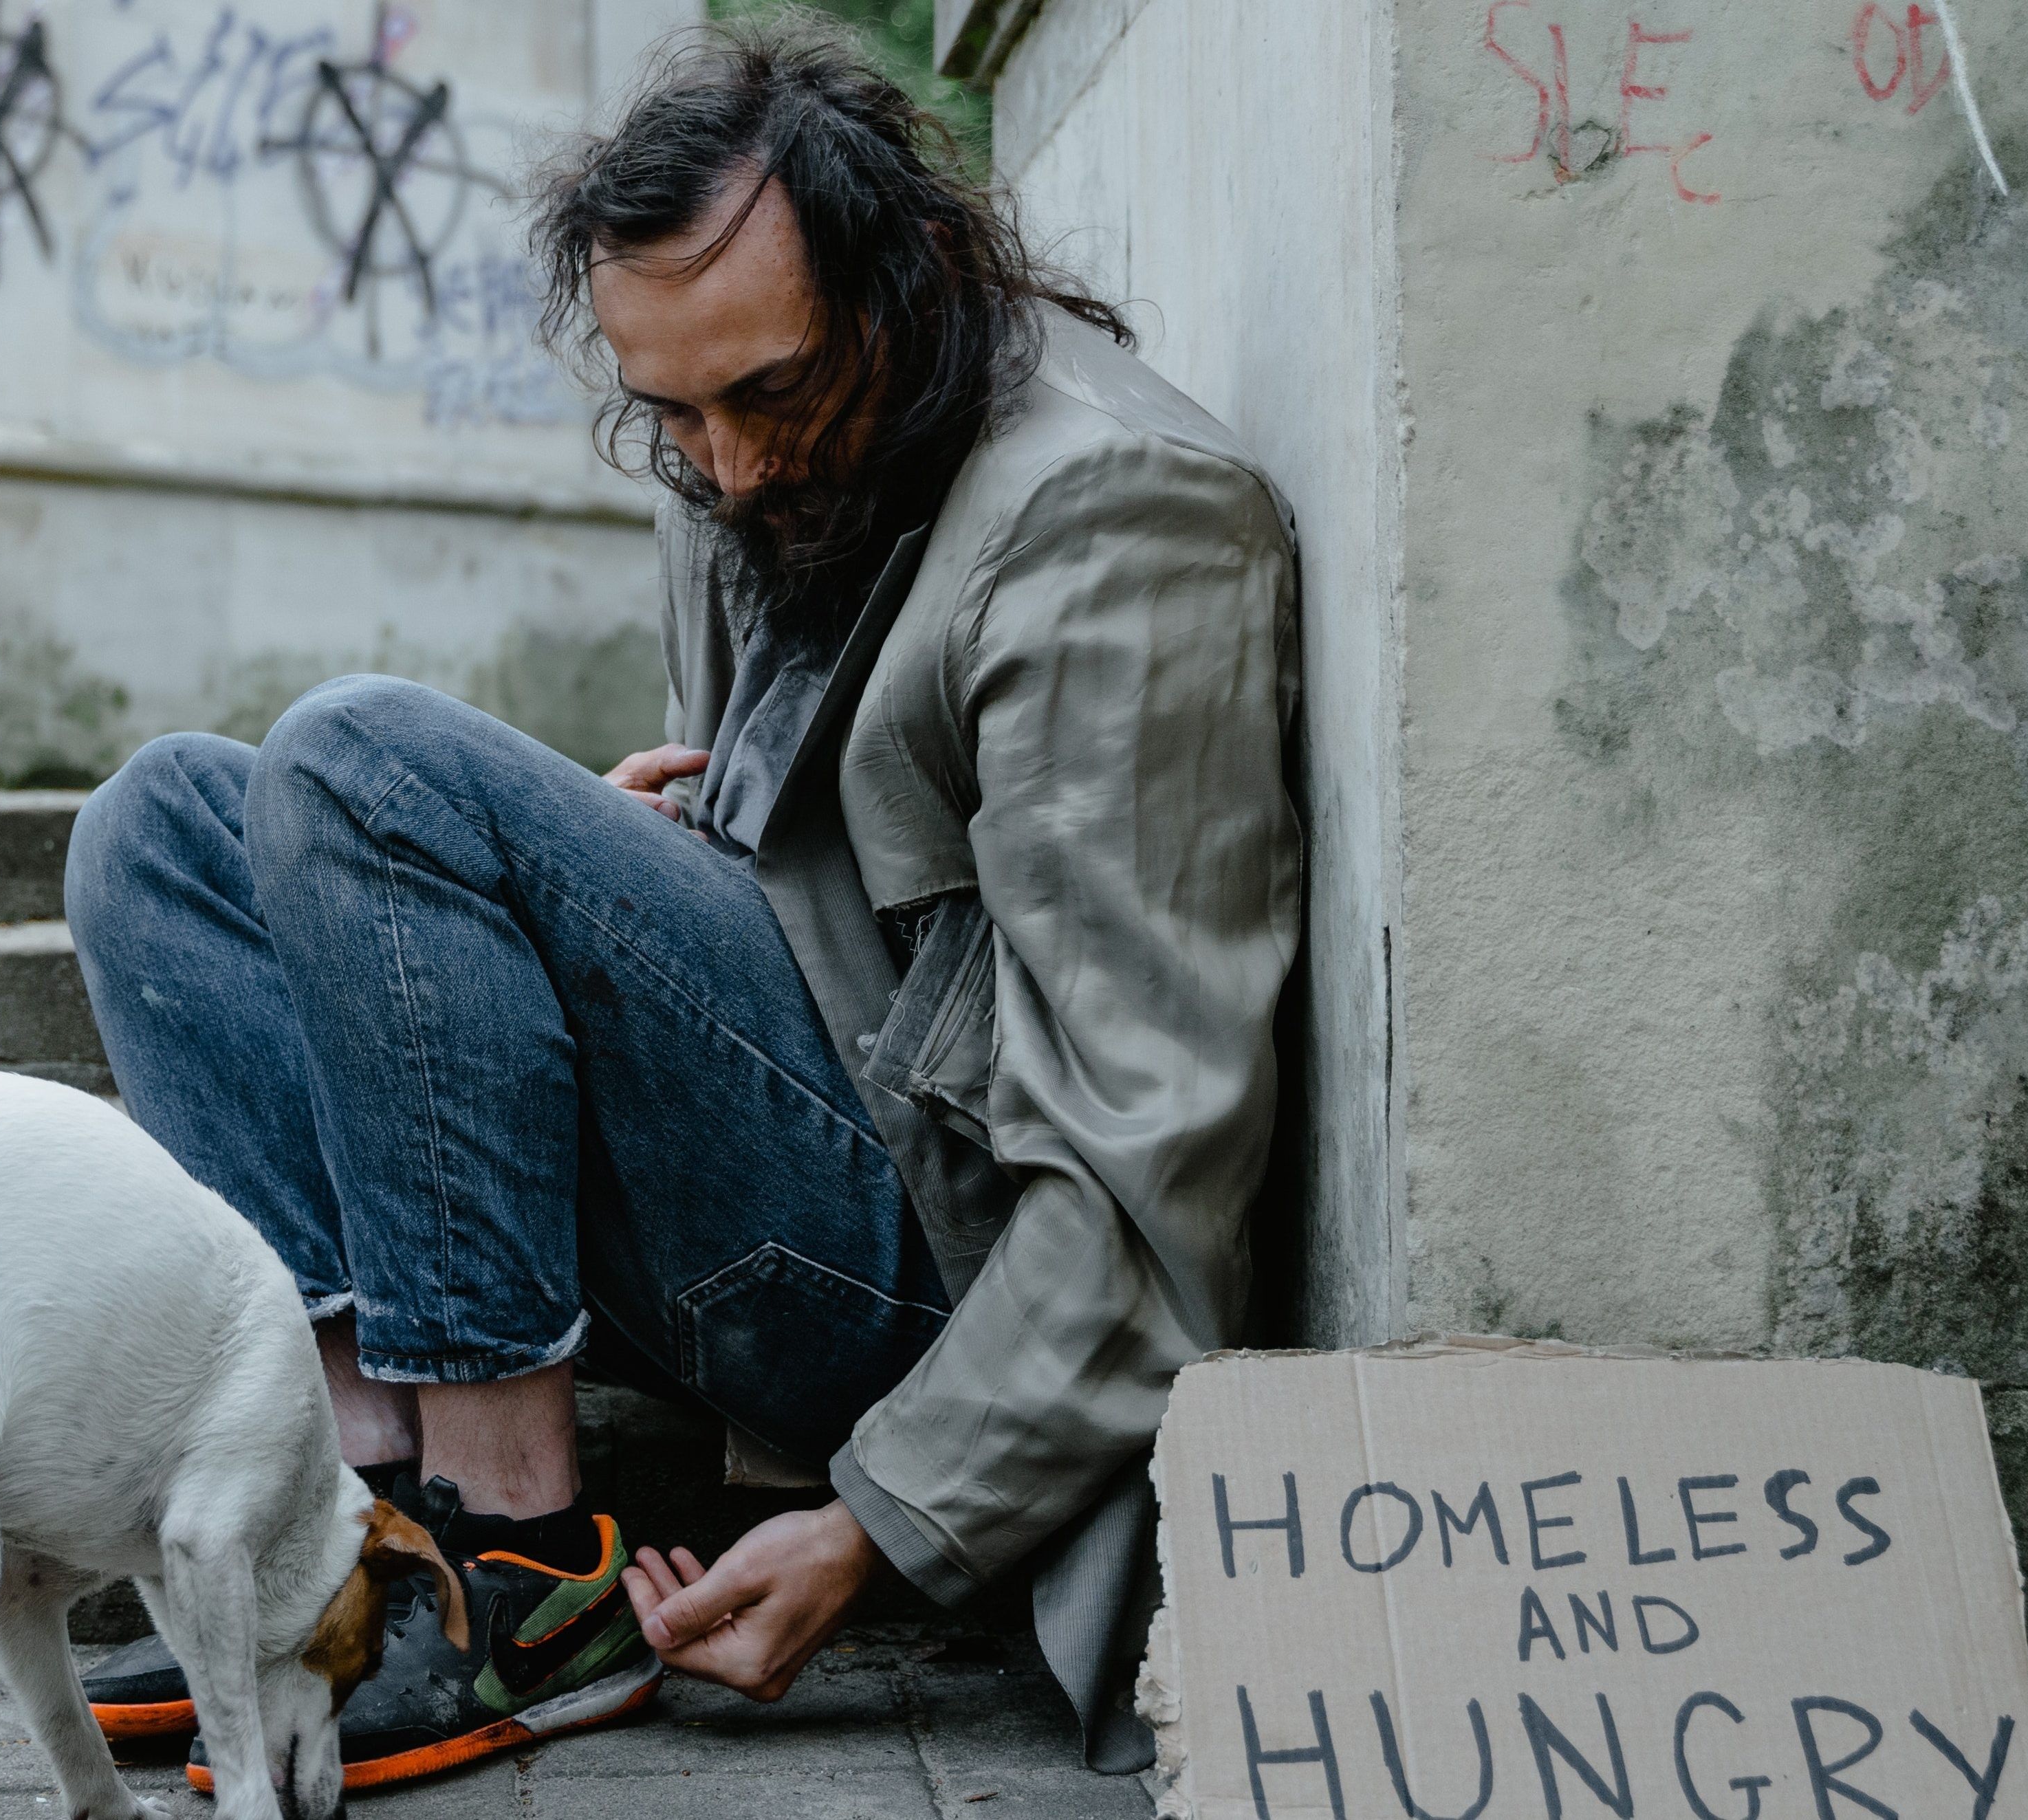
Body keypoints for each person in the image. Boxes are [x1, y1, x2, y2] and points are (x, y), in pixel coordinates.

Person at [63, 17, 1300, 1788]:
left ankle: (517, 1572)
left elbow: (1150, 1170)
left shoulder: (1117, 518)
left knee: (367, 759)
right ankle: (339, 1533)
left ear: (914, 274)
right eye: (675, 415)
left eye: (771, 397)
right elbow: (799, 869)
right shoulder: (749, 454)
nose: (728, 469)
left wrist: (879, 1526)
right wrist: (658, 847)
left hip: (941, 1287)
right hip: (781, 1154)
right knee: (161, 825)